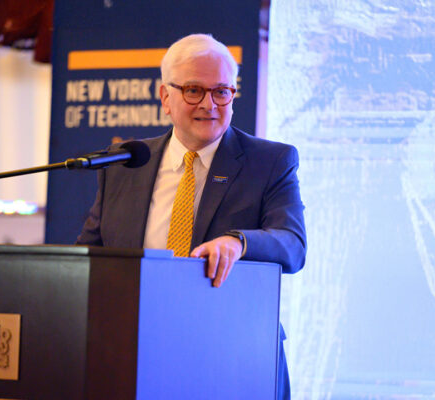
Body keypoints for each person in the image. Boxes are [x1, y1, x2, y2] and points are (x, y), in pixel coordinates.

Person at [77, 33, 306, 399]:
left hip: (231, 359)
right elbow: (88, 257)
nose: (210, 104)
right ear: (165, 97)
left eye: (222, 91)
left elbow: (293, 246)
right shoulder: (124, 163)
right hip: (134, 353)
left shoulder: (270, 162)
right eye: (194, 91)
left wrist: (238, 242)